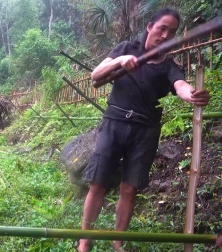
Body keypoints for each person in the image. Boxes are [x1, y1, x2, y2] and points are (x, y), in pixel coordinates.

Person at [77, 7, 211, 252]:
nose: (165, 35)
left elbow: (180, 85)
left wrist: (192, 94)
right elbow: (95, 75)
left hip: (145, 131)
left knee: (129, 188)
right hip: (114, 123)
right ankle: (84, 240)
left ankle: (118, 243)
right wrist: (119, 61)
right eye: (161, 28)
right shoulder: (127, 48)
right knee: (98, 183)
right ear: (149, 27)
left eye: (171, 31)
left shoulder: (170, 65)